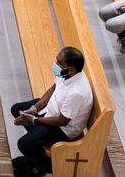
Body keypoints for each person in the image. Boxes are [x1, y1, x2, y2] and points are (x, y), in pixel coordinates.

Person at [11, 47, 93, 176]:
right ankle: (36, 148)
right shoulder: (66, 73)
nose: (55, 65)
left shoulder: (77, 92)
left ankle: (45, 167)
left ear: (71, 68)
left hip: (62, 128)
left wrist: (34, 120)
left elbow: (63, 120)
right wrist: (35, 108)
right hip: (52, 109)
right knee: (17, 109)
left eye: (59, 63)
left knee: (24, 144)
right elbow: (53, 89)